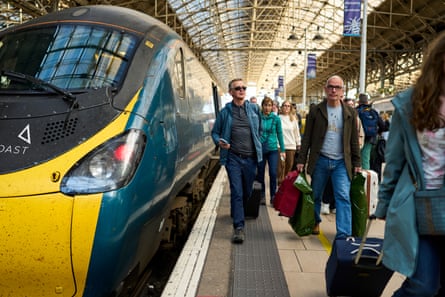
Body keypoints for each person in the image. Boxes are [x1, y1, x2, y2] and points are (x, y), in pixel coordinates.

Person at [374, 32, 445, 297]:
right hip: (419, 206)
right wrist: (383, 203)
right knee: (421, 287)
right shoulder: (411, 103)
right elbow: (394, 161)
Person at [296, 75, 361, 238]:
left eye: (337, 87)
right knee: (315, 194)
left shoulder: (350, 113)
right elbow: (307, 138)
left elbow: (354, 140)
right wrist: (301, 160)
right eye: (330, 86)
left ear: (342, 91)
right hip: (320, 159)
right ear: (325, 89)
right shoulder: (316, 111)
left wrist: (357, 162)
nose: (333, 90)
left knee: (343, 196)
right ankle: (315, 221)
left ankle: (343, 234)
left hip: (341, 162)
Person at [211, 78, 262, 244]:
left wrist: (258, 144)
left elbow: (259, 129)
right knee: (237, 191)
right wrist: (219, 141)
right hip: (233, 157)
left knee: (247, 191)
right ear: (231, 92)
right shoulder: (225, 112)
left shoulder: (254, 109)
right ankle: (238, 227)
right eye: (237, 88)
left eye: (243, 87)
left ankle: (237, 211)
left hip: (251, 159)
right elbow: (215, 132)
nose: (241, 90)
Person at [257, 97, 286, 205]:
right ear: (262, 106)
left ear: (272, 106)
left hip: (273, 149)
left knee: (273, 173)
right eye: (265, 105)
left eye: (269, 105)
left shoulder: (276, 118)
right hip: (260, 149)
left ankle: (273, 196)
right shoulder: (258, 118)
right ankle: (262, 195)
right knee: (260, 174)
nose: (267, 108)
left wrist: (282, 150)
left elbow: (280, 134)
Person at [278, 100, 301, 185]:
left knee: (289, 167)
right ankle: (280, 185)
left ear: (290, 108)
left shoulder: (293, 119)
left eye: (288, 106)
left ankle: (286, 186)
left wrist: (299, 144)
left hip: (291, 147)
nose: (286, 107)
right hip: (280, 148)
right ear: (282, 107)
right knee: (281, 168)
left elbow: (296, 132)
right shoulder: (278, 118)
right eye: (285, 105)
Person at [356, 93, 381, 169]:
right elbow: (384, 126)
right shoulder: (373, 112)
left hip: (357, 139)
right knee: (365, 160)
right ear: (367, 102)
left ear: (358, 102)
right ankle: (365, 179)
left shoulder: (356, 111)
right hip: (370, 139)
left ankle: (360, 180)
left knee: (358, 161)